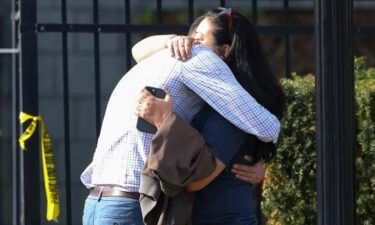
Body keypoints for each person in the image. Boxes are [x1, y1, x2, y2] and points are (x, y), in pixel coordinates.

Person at [81, 8, 281, 225]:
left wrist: (170, 40)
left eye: (199, 38)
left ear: (225, 51)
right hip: (131, 203)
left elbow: (137, 50)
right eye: (191, 36)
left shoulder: (159, 57)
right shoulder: (201, 56)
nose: (191, 42)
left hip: (97, 201)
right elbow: (267, 127)